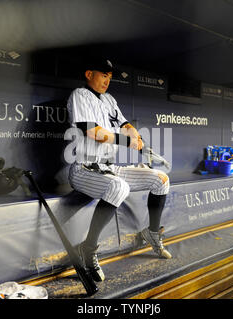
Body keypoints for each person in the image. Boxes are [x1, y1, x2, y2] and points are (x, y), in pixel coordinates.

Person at [66, 57, 171, 282]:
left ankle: (152, 233)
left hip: (109, 167)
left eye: (110, 77)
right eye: (103, 75)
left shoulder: (109, 99)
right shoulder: (79, 96)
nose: (107, 80)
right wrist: (126, 142)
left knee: (161, 179)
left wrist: (136, 136)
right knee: (118, 187)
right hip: (84, 169)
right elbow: (92, 132)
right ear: (89, 74)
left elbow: (124, 124)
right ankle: (89, 248)